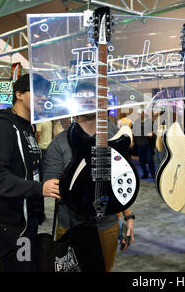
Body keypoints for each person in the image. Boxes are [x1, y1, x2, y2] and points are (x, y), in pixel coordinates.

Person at [0, 74, 60, 272]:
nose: (44, 97)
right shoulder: (1, 127)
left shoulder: (27, 127)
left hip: (25, 217)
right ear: (18, 94)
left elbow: (29, 167)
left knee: (25, 266)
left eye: (46, 94)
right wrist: (39, 188)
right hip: (7, 222)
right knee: (21, 267)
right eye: (37, 92)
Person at [42, 84, 135, 272]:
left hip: (107, 224)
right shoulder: (59, 142)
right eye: (82, 97)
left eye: (92, 96)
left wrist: (129, 217)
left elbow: (121, 182)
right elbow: (51, 186)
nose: (88, 100)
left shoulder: (115, 138)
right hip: (69, 225)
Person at [132, 109, 156, 179]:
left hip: (147, 143)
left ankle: (152, 173)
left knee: (150, 159)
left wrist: (152, 133)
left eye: (140, 114)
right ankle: (145, 172)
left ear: (143, 114)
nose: (139, 115)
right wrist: (133, 141)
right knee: (141, 160)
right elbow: (133, 132)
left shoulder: (149, 122)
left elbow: (153, 130)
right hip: (139, 143)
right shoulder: (136, 122)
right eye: (138, 114)